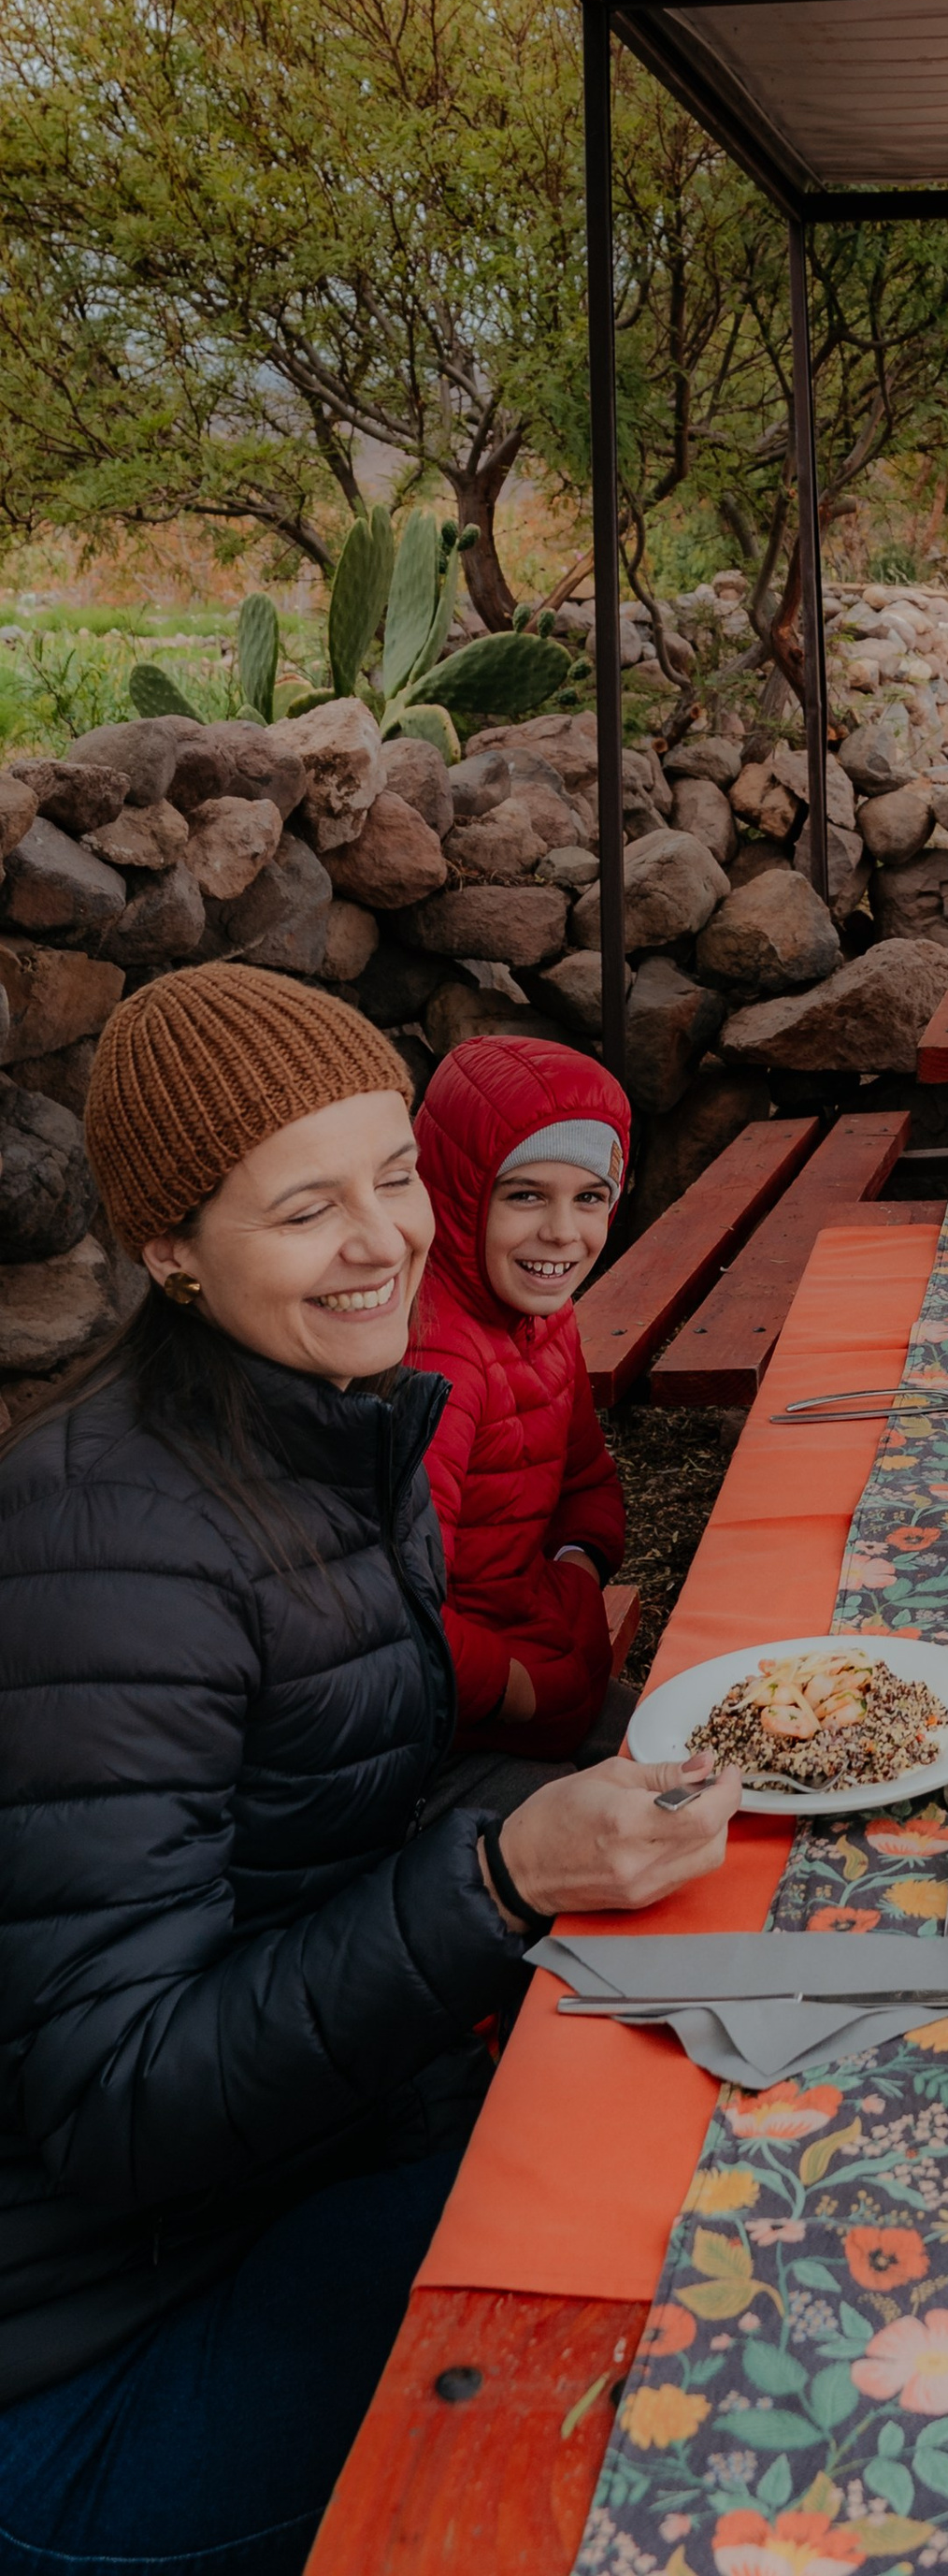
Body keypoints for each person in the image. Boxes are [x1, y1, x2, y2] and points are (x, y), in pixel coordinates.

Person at [0, 964, 740, 2576]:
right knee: (700, 2331)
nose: (387, 1239)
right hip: (88, 2361)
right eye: (305, 1209)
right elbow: (118, 2099)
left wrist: (522, 1827)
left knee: (708, 2141)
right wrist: (496, 1877)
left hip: (291, 2173)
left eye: (396, 1175)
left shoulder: (332, 1419)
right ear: (168, 1251)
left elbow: (332, 1833)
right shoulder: (104, 1542)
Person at [409, 1035, 636, 1821]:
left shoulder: (547, 1315)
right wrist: (514, 1688)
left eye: (591, 1197)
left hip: (552, 1666)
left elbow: (583, 1478)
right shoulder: (435, 1354)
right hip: (459, 1740)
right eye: (526, 1195)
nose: (564, 1234)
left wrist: (577, 1568)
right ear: (458, 1191)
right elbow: (401, 1608)